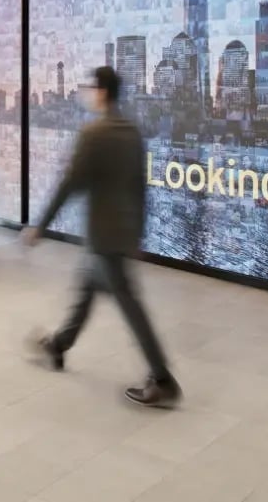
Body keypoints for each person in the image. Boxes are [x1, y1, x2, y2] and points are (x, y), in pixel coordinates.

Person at [23, 66, 180, 408]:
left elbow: (69, 184)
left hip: (104, 237)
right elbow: (141, 189)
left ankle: (163, 378)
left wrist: (40, 226)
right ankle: (58, 346)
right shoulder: (132, 132)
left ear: (102, 92)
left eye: (92, 88)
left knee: (129, 305)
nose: (89, 94)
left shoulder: (94, 133)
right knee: (85, 290)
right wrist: (139, 233)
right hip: (118, 233)